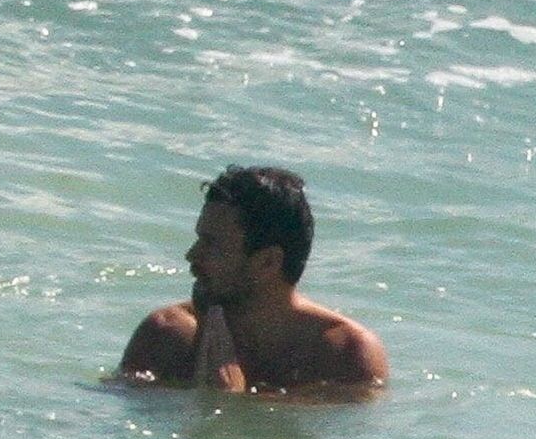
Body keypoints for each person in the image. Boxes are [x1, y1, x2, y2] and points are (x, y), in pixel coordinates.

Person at [118, 166, 388, 394]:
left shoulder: (347, 354)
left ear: (268, 262)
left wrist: (227, 398)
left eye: (212, 245)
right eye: (199, 239)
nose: (192, 255)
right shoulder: (164, 334)